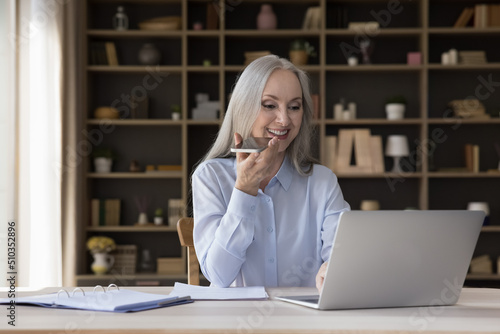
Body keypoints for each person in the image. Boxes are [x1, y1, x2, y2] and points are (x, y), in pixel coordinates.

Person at [191, 55, 350, 289]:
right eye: (269, 105)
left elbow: (342, 255)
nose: (284, 119)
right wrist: (244, 190)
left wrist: (335, 269)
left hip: (304, 323)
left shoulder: (322, 182)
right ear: (244, 107)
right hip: (232, 323)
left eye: (294, 107)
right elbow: (219, 275)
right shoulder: (210, 177)